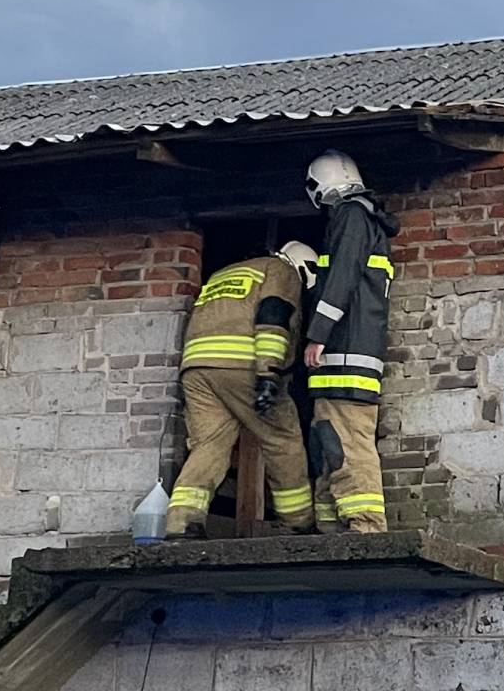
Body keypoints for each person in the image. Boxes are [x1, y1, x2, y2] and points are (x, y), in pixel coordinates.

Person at [164, 241, 321, 539]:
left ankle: (181, 524)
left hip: (197, 368)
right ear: (303, 268)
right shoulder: (281, 271)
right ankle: (297, 522)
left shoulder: (223, 274)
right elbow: (273, 315)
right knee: (282, 440)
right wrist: (268, 372)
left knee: (209, 445)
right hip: (242, 365)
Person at [301, 150, 398, 532]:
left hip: (345, 353)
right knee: (328, 442)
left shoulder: (352, 216)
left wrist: (317, 334)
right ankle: (331, 528)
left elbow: (341, 278)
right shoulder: (365, 220)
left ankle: (366, 526)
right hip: (347, 356)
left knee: (348, 443)